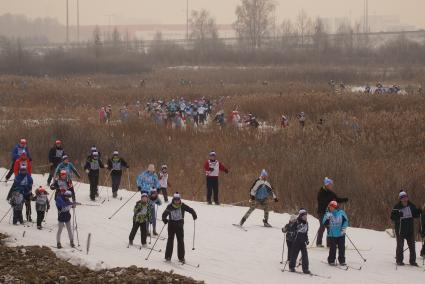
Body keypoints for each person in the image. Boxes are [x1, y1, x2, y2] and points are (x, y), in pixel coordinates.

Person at [162, 193, 197, 263]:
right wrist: (165, 220)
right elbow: (164, 214)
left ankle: (181, 257)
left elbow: (190, 209)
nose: (177, 201)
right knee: (170, 240)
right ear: (173, 199)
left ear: (180, 199)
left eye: (178, 200)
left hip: (179, 226)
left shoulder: (182, 205)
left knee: (180, 241)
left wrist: (194, 214)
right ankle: (168, 256)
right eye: (175, 200)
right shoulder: (170, 206)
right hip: (171, 225)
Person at [390, 191, 422, 266]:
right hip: (400, 230)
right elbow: (392, 217)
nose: (405, 199)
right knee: (400, 246)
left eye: (406, 197)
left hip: (410, 230)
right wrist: (399, 215)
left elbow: (415, 215)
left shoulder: (411, 205)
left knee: (412, 246)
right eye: (403, 198)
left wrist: (420, 211)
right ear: (400, 199)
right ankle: (399, 260)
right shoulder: (397, 207)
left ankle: (412, 261)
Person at [316, 177, 348, 247]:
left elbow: (337, 199)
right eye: (331, 185)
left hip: (329, 212)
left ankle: (329, 243)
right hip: (321, 212)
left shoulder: (331, 193)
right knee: (322, 226)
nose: (332, 186)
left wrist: (344, 199)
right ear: (327, 185)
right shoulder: (321, 192)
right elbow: (322, 201)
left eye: (332, 185)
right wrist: (330, 200)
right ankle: (318, 243)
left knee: (329, 226)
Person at [323, 201, 349, 266]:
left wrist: (343, 228)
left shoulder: (341, 212)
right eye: (330, 207)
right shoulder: (327, 214)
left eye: (332, 207)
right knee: (333, 248)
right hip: (332, 234)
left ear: (335, 207)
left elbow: (346, 221)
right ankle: (331, 260)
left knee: (342, 247)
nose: (330, 208)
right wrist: (327, 220)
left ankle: (342, 260)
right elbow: (324, 222)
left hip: (341, 233)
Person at [289, 209, 310, 274]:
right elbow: (292, 228)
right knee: (294, 254)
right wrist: (295, 228)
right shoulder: (297, 221)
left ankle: (305, 269)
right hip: (296, 241)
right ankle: (292, 267)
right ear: (300, 216)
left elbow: (306, 232)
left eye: (306, 216)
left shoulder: (306, 223)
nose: (305, 217)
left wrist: (307, 240)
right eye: (303, 216)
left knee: (305, 255)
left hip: (303, 241)